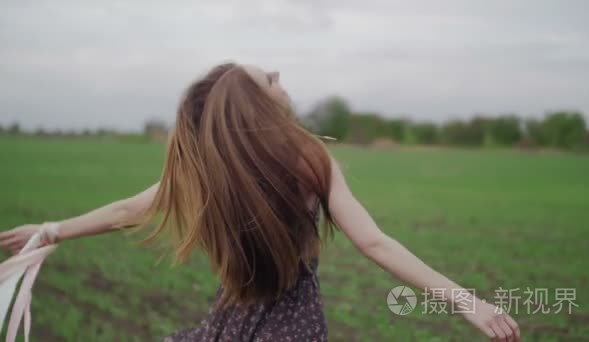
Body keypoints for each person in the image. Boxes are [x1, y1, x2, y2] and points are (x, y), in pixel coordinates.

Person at [0, 63, 520, 341]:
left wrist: (51, 229)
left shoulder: (209, 172)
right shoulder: (310, 161)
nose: (277, 72)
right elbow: (375, 242)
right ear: (259, 105)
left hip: (231, 324)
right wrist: (469, 302)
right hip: (290, 328)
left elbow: (125, 212)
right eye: (268, 78)